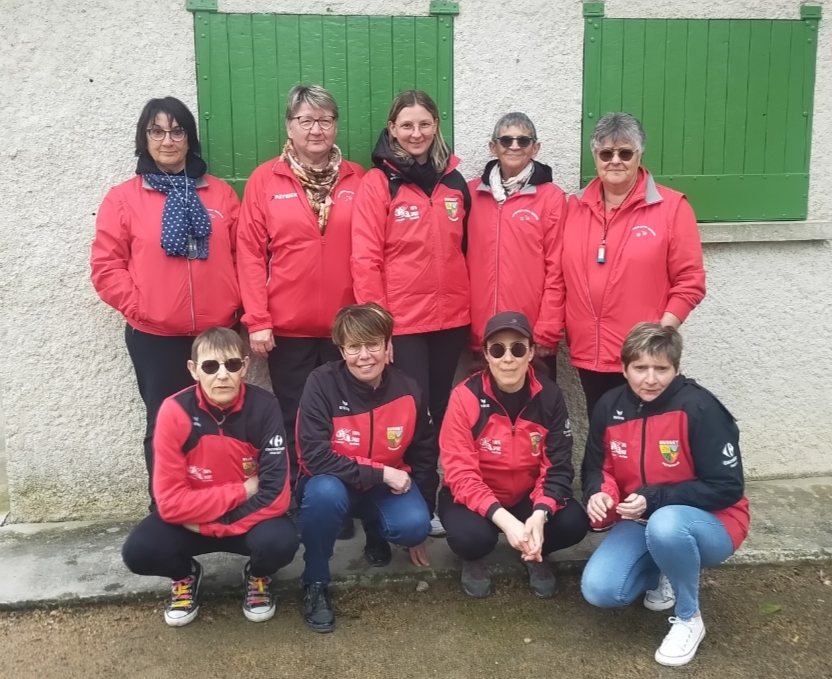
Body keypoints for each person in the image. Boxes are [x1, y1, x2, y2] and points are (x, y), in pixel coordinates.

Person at [90, 97, 241, 504]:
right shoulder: (123, 198)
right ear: (145, 138)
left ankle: (221, 505)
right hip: (155, 336)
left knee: (222, 422)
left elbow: (243, 257)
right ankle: (169, 510)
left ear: (190, 138)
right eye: (157, 131)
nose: (168, 140)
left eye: (177, 131)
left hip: (217, 335)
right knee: (165, 424)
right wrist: (144, 309)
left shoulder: (221, 195)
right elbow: (107, 268)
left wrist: (234, 306)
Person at [580, 323, 750, 667]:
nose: (650, 379)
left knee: (666, 524)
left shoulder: (700, 407)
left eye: (661, 369)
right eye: (640, 368)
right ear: (624, 367)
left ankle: (689, 618)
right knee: (601, 590)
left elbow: (727, 486)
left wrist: (655, 498)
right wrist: (600, 493)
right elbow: (598, 468)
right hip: (642, 517)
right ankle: (668, 570)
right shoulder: (609, 406)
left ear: (676, 368)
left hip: (711, 521)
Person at [237, 85, 365, 513]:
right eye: (306, 121)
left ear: (336, 125)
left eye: (325, 120)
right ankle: (298, 499)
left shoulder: (358, 178)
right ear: (289, 127)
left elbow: (371, 251)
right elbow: (251, 254)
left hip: (345, 330)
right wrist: (257, 319)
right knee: (294, 416)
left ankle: (337, 500)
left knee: (343, 419)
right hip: (286, 328)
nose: (316, 129)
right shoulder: (264, 180)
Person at [351, 90, 470, 536]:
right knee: (410, 414)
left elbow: (467, 251)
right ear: (392, 127)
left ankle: (433, 498)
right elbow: (364, 258)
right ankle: (410, 500)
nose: (416, 133)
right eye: (406, 125)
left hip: (452, 320)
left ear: (436, 124)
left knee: (438, 411)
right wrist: (379, 329)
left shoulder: (456, 182)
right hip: (402, 323)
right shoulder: (378, 182)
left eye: (424, 124)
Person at [121, 327, 299, 626]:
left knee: (282, 542)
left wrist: (210, 520)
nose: (222, 375)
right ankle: (185, 576)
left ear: (244, 366)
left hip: (217, 522)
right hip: (210, 519)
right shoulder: (173, 410)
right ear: (194, 370)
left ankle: (257, 576)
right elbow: (169, 504)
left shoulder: (265, 407)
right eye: (210, 366)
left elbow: (277, 496)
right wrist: (242, 491)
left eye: (231, 365)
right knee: (140, 552)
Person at [295, 303, 437, 633]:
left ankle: (377, 529)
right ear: (341, 349)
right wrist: (382, 473)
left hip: (382, 488)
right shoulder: (321, 383)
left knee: (415, 525)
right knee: (323, 493)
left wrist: (426, 512)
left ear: (389, 347)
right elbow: (315, 458)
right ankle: (315, 581)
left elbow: (425, 454)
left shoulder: (410, 389)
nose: (364, 356)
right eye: (353, 347)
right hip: (335, 484)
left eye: (373, 344)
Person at [561, 112, 706, 420]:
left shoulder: (671, 208)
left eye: (625, 152)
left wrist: (658, 339)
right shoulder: (573, 207)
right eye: (606, 153)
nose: (615, 160)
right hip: (590, 352)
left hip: (644, 359)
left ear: (639, 155)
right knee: (603, 431)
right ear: (595, 156)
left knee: (644, 440)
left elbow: (690, 281)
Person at [438, 311, 589, 599]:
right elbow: (460, 473)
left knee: (574, 523)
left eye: (518, 348)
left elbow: (558, 467)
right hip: (476, 500)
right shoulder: (464, 397)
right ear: (486, 355)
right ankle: (475, 558)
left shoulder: (549, 396)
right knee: (469, 538)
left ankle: (534, 552)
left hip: (527, 497)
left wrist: (540, 514)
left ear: (531, 352)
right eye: (497, 349)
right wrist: (505, 521)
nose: (508, 358)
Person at [467, 113, 567, 380]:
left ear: (535, 148)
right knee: (486, 415)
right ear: (493, 147)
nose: (514, 146)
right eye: (506, 140)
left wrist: (547, 328)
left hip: (531, 334)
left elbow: (558, 268)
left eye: (523, 141)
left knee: (536, 414)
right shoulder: (470, 194)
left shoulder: (552, 198)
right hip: (483, 333)